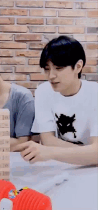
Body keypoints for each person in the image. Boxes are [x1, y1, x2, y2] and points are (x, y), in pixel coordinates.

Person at [16, 36, 98, 165]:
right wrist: (87, 154)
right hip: (60, 164)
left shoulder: (95, 94)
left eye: (58, 68)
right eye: (47, 69)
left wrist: (51, 152)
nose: (51, 76)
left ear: (78, 66)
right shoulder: (43, 91)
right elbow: (48, 141)